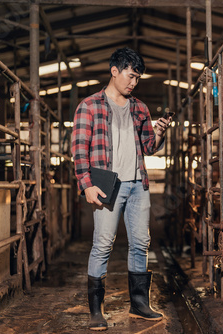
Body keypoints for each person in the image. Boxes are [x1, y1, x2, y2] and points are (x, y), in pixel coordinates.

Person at [71, 47, 171, 331]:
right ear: (114, 71)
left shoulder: (140, 108)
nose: (133, 83)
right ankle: (96, 311)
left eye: (137, 78)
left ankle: (139, 304)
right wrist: (86, 184)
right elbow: (79, 150)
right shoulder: (89, 106)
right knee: (103, 244)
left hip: (138, 183)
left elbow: (150, 146)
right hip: (106, 186)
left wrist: (160, 131)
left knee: (141, 243)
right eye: (130, 76)